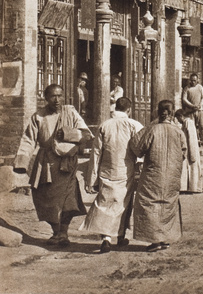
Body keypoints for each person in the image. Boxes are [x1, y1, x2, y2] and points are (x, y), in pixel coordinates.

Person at [13, 84, 92, 246]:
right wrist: (22, 162)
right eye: (53, 96)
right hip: (46, 164)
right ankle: (56, 231)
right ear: (46, 98)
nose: (57, 100)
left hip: (66, 164)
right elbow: (29, 139)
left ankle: (63, 233)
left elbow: (87, 134)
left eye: (60, 95)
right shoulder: (38, 116)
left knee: (68, 200)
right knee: (43, 198)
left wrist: (69, 134)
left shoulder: (70, 112)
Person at [80, 97, 137, 253]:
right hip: (126, 170)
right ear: (129, 110)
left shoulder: (104, 125)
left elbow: (96, 153)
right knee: (124, 204)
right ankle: (121, 236)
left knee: (106, 204)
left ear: (115, 108)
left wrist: (91, 179)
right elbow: (140, 148)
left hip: (107, 170)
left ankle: (106, 238)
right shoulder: (134, 125)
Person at [129, 99, 187, 253]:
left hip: (154, 174)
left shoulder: (153, 130)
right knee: (168, 205)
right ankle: (165, 238)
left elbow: (136, 147)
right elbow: (184, 153)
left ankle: (155, 241)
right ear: (172, 113)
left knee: (150, 204)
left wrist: (150, 125)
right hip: (173, 175)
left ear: (158, 112)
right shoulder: (179, 132)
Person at [175, 109, 202, 193]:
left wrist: (192, 151)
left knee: (191, 167)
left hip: (190, 147)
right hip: (187, 147)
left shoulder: (188, 123)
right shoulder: (185, 123)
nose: (178, 121)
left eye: (178, 118)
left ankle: (193, 187)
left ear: (181, 116)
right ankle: (188, 187)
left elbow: (191, 138)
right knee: (187, 168)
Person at [182, 73, 203, 148]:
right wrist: (191, 106)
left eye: (194, 80)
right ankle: (193, 143)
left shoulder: (200, 87)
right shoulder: (187, 88)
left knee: (202, 126)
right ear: (190, 80)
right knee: (192, 127)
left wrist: (200, 104)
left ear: (197, 80)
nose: (193, 82)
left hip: (199, 110)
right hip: (190, 111)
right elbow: (184, 99)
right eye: (192, 80)